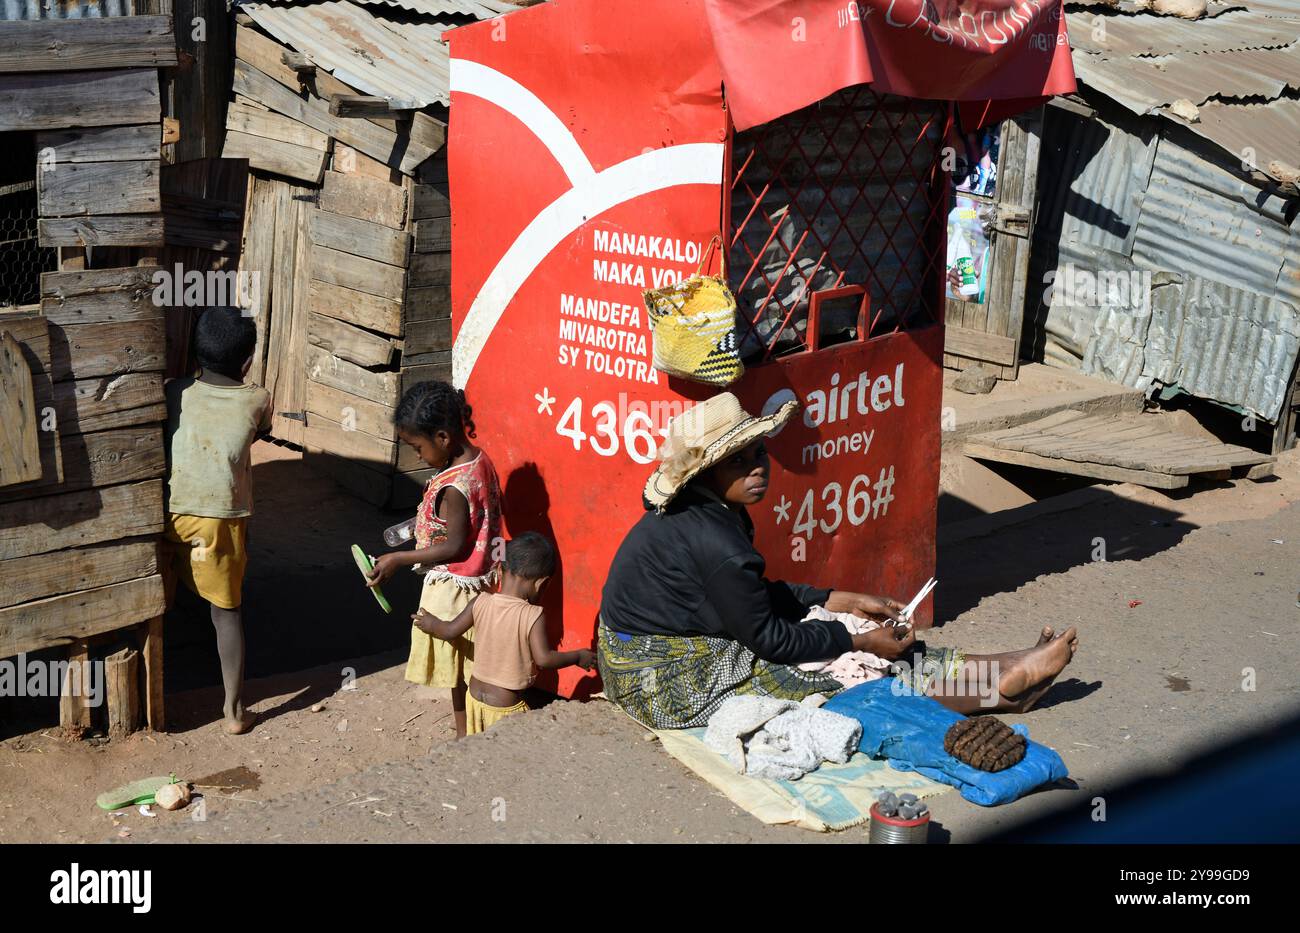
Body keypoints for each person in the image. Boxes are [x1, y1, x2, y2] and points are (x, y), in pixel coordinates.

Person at [598, 392, 1079, 730]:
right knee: (818, 675)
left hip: (678, 638)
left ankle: (1002, 665)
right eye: (738, 461)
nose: (757, 467)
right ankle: (993, 692)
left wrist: (833, 597)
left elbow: (748, 598)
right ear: (707, 472)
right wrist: (855, 638)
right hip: (653, 678)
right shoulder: (716, 539)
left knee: (831, 626)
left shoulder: (713, 513)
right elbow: (765, 636)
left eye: (758, 453)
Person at [367, 381, 502, 738]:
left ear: (442, 437)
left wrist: (398, 558)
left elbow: (454, 546)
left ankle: (465, 736)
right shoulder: (480, 461)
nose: (416, 456)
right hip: (483, 578)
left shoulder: (453, 488)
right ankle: (473, 732)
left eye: (417, 447)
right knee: (470, 668)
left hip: (456, 587)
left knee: (459, 672)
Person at [162, 306, 271, 735]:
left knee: (163, 594)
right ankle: (234, 710)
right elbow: (257, 433)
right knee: (226, 612)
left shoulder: (173, 391)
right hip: (218, 522)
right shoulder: (257, 398)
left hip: (168, 512)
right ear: (247, 362)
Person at [413, 532, 596, 736]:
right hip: (504, 709)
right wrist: (578, 656)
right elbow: (544, 659)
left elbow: (448, 631)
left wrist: (431, 623)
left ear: (500, 570)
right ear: (541, 584)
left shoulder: (480, 602)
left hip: (473, 700)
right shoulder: (533, 614)